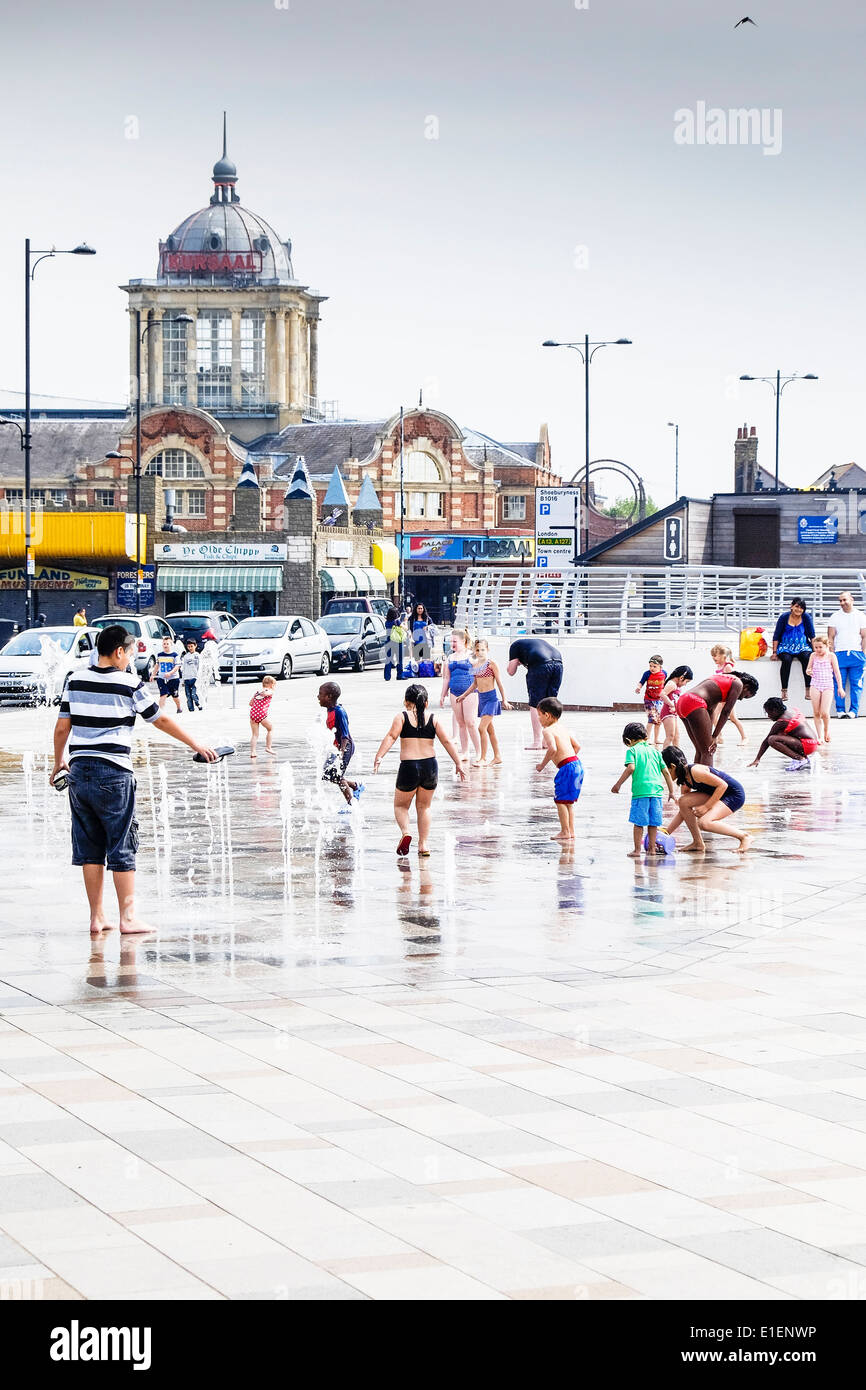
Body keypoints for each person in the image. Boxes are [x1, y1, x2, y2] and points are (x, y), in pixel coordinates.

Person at [50, 624, 217, 934]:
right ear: (118, 652)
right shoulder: (129, 683)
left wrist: (59, 760)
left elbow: (62, 728)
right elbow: (160, 719)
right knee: (121, 842)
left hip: (79, 772)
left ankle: (96, 917)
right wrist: (196, 744)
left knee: (90, 847)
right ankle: (128, 918)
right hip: (113, 773)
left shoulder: (75, 680)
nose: (131, 658)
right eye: (130, 653)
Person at [373, 682, 465, 856]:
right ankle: (423, 845)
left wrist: (379, 756)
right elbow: (447, 741)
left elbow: (391, 736)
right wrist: (458, 763)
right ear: (426, 703)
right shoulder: (433, 718)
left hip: (409, 767)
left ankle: (406, 833)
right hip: (429, 766)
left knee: (400, 806)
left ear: (406, 702)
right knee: (424, 807)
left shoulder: (401, 717)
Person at [661, 746, 752, 854]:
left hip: (733, 794)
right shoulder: (684, 780)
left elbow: (723, 785)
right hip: (716, 793)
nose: (664, 775)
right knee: (683, 801)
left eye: (664, 771)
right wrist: (667, 832)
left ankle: (744, 836)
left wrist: (706, 807)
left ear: (672, 766)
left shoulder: (695, 771)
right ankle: (697, 843)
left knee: (704, 823)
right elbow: (684, 811)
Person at [611, 721, 677, 859]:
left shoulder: (632, 751)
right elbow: (665, 772)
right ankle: (652, 849)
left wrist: (618, 784)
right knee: (653, 823)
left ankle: (637, 850)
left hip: (641, 793)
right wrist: (671, 791)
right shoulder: (655, 752)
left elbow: (631, 768)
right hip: (657, 792)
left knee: (639, 823)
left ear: (629, 740)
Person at [677, 670, 759, 764]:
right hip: (695, 701)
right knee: (708, 751)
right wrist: (715, 736)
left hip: (683, 701)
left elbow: (711, 710)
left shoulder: (723, 679)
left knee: (701, 750)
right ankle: (707, 778)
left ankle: (696, 778)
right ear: (746, 687)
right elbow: (726, 711)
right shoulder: (738, 683)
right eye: (745, 696)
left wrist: (710, 734)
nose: (740, 699)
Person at [534, 696, 583, 842]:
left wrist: (542, 765)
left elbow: (552, 749)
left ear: (547, 715)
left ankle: (564, 831)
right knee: (568, 802)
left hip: (567, 768)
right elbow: (577, 746)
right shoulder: (563, 727)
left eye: (539, 715)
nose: (539, 719)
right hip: (577, 765)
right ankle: (570, 831)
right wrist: (569, 758)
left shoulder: (547, 731)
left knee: (560, 801)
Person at [456, 638, 511, 765]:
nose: (480, 652)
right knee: (490, 730)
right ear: (474, 651)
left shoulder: (491, 664)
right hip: (482, 699)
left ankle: (483, 758)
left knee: (481, 728)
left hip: (491, 699)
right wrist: (463, 695)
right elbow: (475, 684)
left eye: (483, 650)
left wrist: (505, 700)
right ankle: (497, 756)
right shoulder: (474, 666)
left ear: (488, 650)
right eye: (477, 650)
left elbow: (499, 682)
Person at [507, 636, 563, 750]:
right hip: (558, 663)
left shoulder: (514, 646)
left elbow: (511, 671)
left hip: (541, 664)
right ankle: (548, 741)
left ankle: (537, 742)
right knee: (550, 702)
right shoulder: (534, 644)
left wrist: (516, 662)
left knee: (535, 703)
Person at [317, 681, 363, 806]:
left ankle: (351, 804)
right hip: (337, 748)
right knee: (327, 774)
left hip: (345, 747)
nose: (318, 697)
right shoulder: (330, 710)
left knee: (337, 776)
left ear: (329, 697)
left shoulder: (339, 711)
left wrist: (341, 753)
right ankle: (355, 786)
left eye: (320, 694)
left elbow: (345, 735)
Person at [440, 627, 481, 761]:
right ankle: (465, 751)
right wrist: (442, 694)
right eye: (451, 641)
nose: (452, 644)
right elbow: (446, 677)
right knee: (461, 722)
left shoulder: (471, 656)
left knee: (470, 722)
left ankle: (479, 752)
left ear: (463, 641)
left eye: (455, 641)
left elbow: (479, 673)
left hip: (469, 692)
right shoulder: (450, 657)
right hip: (455, 692)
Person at [749, 697, 819, 772]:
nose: (768, 716)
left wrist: (757, 759)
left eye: (769, 713)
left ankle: (799, 759)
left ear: (775, 710)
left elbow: (766, 741)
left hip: (807, 745)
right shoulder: (791, 712)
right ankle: (802, 757)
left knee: (772, 739)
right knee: (780, 733)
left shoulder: (782, 722)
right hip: (812, 744)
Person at [828, 590, 866, 718]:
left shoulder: (861, 615)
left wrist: (864, 654)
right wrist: (832, 654)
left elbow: (864, 636)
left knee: (857, 684)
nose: (842, 603)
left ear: (852, 599)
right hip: (839, 654)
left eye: (845, 600)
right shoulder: (835, 616)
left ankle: (853, 711)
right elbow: (830, 637)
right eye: (840, 601)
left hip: (857, 654)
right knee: (838, 683)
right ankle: (840, 710)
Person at [771, 597, 815, 701]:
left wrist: (815, 651)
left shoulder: (806, 617)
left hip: (802, 646)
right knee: (786, 660)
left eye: (801, 608)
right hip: (785, 646)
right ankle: (784, 690)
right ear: (792, 606)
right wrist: (774, 652)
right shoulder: (784, 617)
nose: (799, 609)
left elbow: (812, 635)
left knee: (806, 658)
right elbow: (776, 635)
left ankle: (808, 689)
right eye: (797, 606)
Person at [806, 635, 842, 744]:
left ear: (827, 646)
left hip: (827, 685)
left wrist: (840, 687)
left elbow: (837, 672)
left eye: (820, 647)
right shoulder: (813, 655)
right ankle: (819, 736)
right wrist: (809, 671)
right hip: (815, 684)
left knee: (824, 712)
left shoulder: (831, 656)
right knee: (816, 712)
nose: (817, 650)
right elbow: (808, 668)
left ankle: (826, 730)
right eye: (816, 647)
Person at [709, 643, 747, 744]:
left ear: (723, 656)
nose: (713, 657)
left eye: (715, 655)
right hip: (721, 696)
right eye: (712, 655)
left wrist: (729, 698)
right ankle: (719, 736)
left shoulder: (728, 667)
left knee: (733, 718)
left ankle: (744, 737)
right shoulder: (719, 665)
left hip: (727, 697)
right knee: (713, 716)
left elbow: (731, 683)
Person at [635, 654, 667, 746]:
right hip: (649, 699)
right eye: (650, 666)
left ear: (660, 666)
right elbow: (641, 682)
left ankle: (656, 739)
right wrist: (638, 687)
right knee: (651, 719)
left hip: (659, 700)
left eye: (654, 666)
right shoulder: (647, 674)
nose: (652, 668)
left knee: (658, 720)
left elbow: (666, 684)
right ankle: (647, 738)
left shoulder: (664, 673)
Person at [660, 665, 692, 749]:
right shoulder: (672, 684)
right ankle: (664, 757)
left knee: (676, 737)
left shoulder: (675, 685)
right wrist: (672, 704)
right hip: (667, 713)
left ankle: (677, 756)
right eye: (687, 682)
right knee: (670, 736)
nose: (685, 684)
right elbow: (662, 694)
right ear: (681, 678)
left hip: (672, 713)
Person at [249, 675, 277, 758]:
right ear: (272, 684)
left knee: (255, 734)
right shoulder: (270, 691)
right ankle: (268, 747)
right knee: (270, 729)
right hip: (261, 714)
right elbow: (267, 692)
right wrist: (266, 692)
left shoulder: (256, 693)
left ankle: (253, 752)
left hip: (253, 714)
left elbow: (250, 703)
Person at [155, 636, 182, 713]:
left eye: (167, 644)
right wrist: (153, 675)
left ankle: (179, 708)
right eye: (164, 644)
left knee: (175, 695)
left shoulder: (175, 655)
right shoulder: (160, 655)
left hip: (173, 678)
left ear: (171, 645)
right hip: (161, 677)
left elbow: (177, 666)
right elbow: (157, 665)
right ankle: (161, 712)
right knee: (163, 694)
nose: (165, 645)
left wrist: (170, 673)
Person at [410, 603, 435, 669]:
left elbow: (433, 627)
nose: (420, 610)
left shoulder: (427, 618)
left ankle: (425, 672)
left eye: (421, 608)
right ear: (416, 609)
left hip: (426, 641)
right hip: (416, 641)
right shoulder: (412, 618)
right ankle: (418, 672)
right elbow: (409, 628)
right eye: (418, 608)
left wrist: (427, 627)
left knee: (426, 660)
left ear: (423, 609)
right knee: (417, 660)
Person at [383, 605, 405, 682]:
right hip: (397, 641)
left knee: (388, 659)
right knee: (399, 659)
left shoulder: (387, 622)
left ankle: (387, 676)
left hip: (388, 641)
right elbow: (405, 628)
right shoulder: (397, 621)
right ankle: (400, 675)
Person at [180, 640, 202, 712]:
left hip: (194, 678)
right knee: (188, 696)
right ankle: (191, 710)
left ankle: (198, 704)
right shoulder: (186, 656)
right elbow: (184, 668)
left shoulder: (198, 656)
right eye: (188, 646)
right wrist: (183, 680)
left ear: (195, 646)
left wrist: (199, 677)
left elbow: (200, 667)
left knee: (193, 694)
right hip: (187, 678)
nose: (190, 648)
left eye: (191, 646)